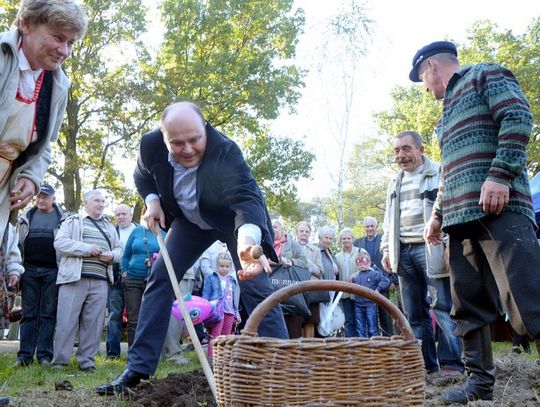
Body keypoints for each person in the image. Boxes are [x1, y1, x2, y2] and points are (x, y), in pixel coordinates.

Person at [96, 101, 287, 395]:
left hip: (232, 221)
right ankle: (137, 369)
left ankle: (283, 367)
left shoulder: (225, 152)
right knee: (161, 277)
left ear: (205, 129)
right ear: (164, 138)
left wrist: (247, 242)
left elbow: (246, 200)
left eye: (194, 140)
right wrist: (152, 201)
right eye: (177, 143)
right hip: (190, 222)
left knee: (256, 286)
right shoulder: (150, 146)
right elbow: (142, 176)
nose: (187, 149)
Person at [412, 40, 540, 403]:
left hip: (501, 210)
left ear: (432, 67)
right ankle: (479, 383)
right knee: (467, 305)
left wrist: (499, 174)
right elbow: (448, 174)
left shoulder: (484, 74)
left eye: (422, 79)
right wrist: (438, 215)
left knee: (528, 298)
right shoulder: (444, 117)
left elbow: (517, 117)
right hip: (459, 221)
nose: (425, 89)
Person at [0, 0, 86, 242]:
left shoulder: (59, 85)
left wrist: (31, 177)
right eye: (58, 38)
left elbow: (45, 145)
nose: (65, 51)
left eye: (71, 42)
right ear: (26, 24)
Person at [381, 131, 464, 377]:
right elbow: (388, 219)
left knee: (442, 306)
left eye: (406, 149)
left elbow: (450, 209)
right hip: (402, 251)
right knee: (413, 313)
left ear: (421, 149)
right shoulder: (394, 182)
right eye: (397, 150)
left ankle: (451, 363)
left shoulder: (438, 172)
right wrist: (386, 248)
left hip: (431, 246)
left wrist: (449, 243)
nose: (401, 155)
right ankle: (423, 364)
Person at [52, 190, 123, 371]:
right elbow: (59, 243)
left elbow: (119, 249)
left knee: (94, 324)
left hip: (101, 281)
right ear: (86, 202)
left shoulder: (109, 226)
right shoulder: (72, 221)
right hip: (74, 279)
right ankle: (60, 361)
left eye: (103, 201)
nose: (101, 204)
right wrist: (87, 248)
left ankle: (87, 362)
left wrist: (112, 255)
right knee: (66, 321)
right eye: (97, 200)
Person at [14, 183, 67, 367]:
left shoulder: (63, 219)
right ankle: (24, 357)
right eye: (39, 196)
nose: (41, 199)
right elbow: (17, 245)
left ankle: (44, 356)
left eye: (45, 196)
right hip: (29, 270)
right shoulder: (25, 217)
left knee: (48, 314)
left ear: (53, 198)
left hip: (53, 271)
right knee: (28, 313)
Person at [122, 224, 166, 348]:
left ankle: (149, 351)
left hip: (154, 281)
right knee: (133, 319)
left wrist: (155, 260)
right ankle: (133, 352)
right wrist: (124, 272)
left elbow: (169, 256)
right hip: (132, 280)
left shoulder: (165, 233)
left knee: (152, 318)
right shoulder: (136, 231)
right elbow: (126, 255)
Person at [354, 216, 396, 336]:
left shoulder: (385, 240)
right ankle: (369, 342)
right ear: (364, 228)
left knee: (385, 314)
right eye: (367, 226)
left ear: (376, 226)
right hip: (364, 285)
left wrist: (393, 280)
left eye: (372, 226)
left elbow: (394, 258)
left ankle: (388, 339)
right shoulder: (358, 243)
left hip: (383, 282)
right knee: (367, 318)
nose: (370, 228)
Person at [106, 204, 136, 359]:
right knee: (114, 315)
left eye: (124, 214)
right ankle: (112, 354)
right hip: (115, 279)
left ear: (131, 215)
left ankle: (135, 352)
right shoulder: (111, 231)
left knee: (134, 316)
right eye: (118, 214)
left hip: (134, 278)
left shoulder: (140, 231)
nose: (121, 217)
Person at [271, 219, 307, 338]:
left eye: (275, 227)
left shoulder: (292, 243)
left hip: (290, 289)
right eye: (271, 227)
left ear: (282, 229)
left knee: (292, 324)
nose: (273, 229)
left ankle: (293, 347)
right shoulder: (266, 242)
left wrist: (292, 262)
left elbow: (304, 261)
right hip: (271, 287)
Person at [202, 253, 240, 360]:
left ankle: (223, 357)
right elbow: (206, 294)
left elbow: (235, 298)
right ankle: (212, 357)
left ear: (230, 266)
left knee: (226, 335)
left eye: (227, 266)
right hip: (217, 312)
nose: (224, 269)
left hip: (229, 311)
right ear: (217, 266)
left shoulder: (232, 280)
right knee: (215, 334)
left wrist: (236, 312)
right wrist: (206, 309)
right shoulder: (212, 278)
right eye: (221, 266)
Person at [350, 249, 389, 338]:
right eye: (359, 262)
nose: (361, 264)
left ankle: (374, 343)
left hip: (370, 304)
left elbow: (386, 280)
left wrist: (378, 289)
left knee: (372, 327)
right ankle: (362, 343)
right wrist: (351, 282)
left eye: (364, 261)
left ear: (369, 262)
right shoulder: (355, 276)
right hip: (358, 305)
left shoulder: (374, 274)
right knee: (360, 328)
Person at [295, 221, 324, 338]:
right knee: (295, 320)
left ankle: (309, 346)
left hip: (311, 289)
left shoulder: (316, 250)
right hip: (295, 289)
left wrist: (307, 262)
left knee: (311, 320)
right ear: (296, 233)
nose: (304, 233)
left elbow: (320, 271)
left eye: (307, 231)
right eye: (301, 231)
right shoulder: (290, 247)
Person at [336, 228, 359, 337]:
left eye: (348, 238)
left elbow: (367, 268)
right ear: (341, 240)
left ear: (353, 239)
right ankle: (350, 342)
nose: (346, 240)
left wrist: (354, 276)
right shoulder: (337, 256)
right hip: (344, 294)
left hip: (359, 292)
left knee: (360, 319)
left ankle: (362, 342)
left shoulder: (360, 252)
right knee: (348, 320)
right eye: (344, 238)